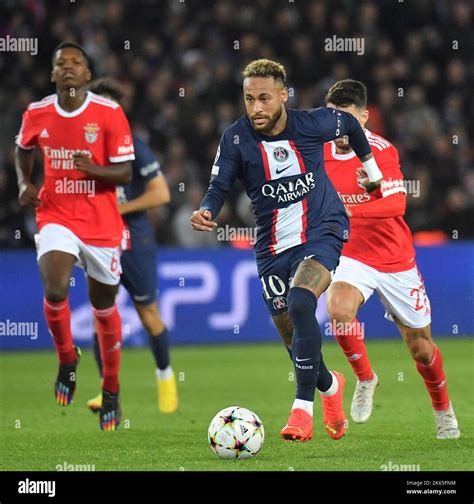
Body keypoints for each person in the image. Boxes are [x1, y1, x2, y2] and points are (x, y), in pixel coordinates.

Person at [191, 59, 384, 442]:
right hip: (272, 245)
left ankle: (301, 411)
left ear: (283, 95)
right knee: (292, 337)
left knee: (300, 301)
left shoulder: (312, 124)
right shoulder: (234, 138)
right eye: (249, 99)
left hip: (322, 228)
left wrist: (371, 170)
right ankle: (330, 387)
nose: (257, 108)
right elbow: (219, 185)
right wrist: (208, 209)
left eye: (264, 98)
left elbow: (350, 125)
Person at [324, 79, 460, 439]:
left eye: (347, 118)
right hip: (351, 255)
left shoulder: (381, 150)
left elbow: (397, 204)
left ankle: (443, 410)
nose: (340, 126)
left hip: (394, 257)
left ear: (364, 118)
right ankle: (366, 378)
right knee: (337, 311)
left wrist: (350, 214)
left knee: (420, 348)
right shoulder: (316, 152)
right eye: (334, 117)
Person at [15, 42, 134, 431]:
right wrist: (24, 182)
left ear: (87, 75)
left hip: (101, 224)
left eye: (76, 63)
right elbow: (23, 149)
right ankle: (67, 358)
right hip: (55, 214)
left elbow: (126, 173)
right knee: (55, 287)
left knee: (103, 308)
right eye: (59, 63)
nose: (67, 68)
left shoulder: (109, 113)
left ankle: (112, 388)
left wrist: (94, 169)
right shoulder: (37, 113)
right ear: (52, 74)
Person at [85, 78, 178, 414]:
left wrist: (113, 209)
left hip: (133, 241)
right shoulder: (83, 151)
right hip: (98, 241)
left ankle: (166, 377)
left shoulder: (133, 146)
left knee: (148, 314)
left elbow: (161, 193)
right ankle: (107, 391)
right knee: (102, 315)